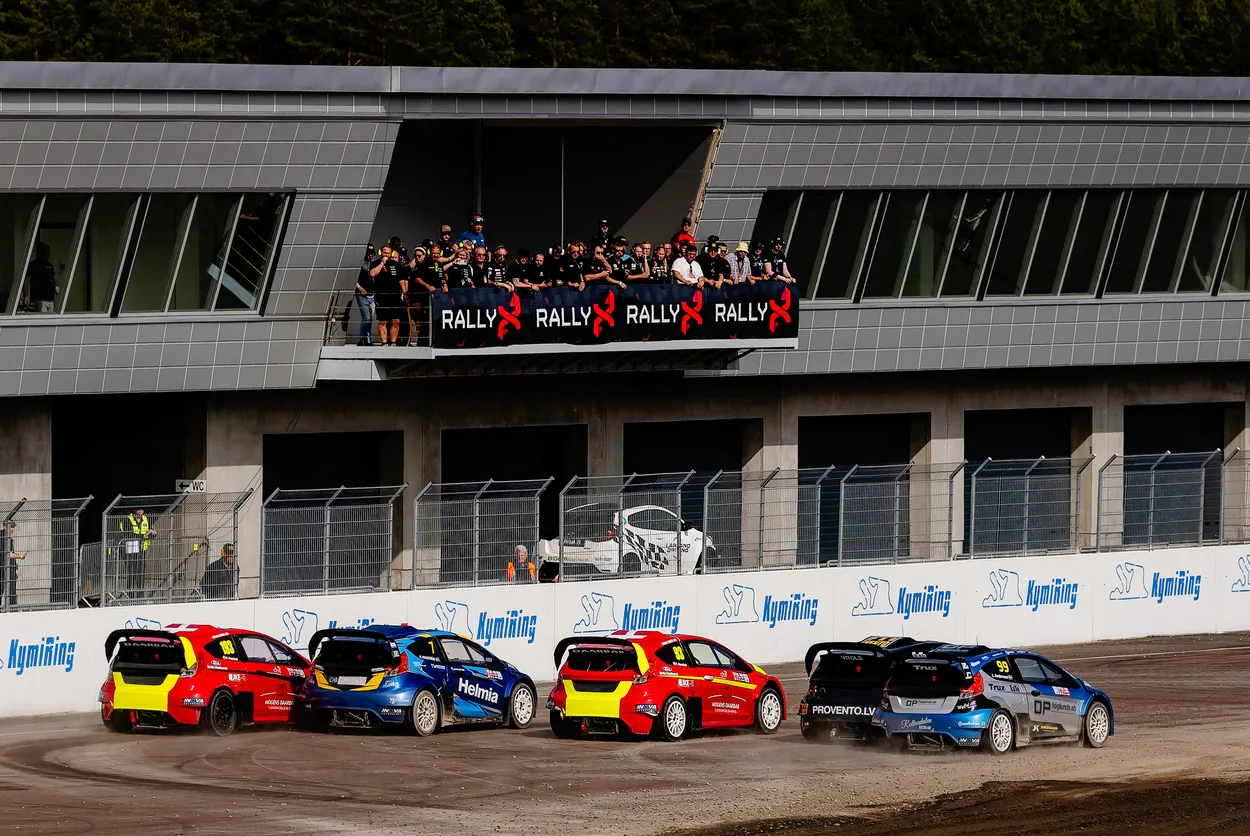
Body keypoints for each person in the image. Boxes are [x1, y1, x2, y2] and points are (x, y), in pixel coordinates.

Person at [373, 244, 405, 346]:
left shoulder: (396, 265)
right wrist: (382, 263)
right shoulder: (375, 263)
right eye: (384, 253)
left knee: (396, 320)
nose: (386, 255)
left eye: (388, 253)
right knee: (383, 321)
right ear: (380, 253)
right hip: (381, 297)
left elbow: (401, 279)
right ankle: (384, 343)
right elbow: (372, 274)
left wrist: (404, 292)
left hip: (395, 297)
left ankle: (393, 342)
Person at [120, 508, 154, 597]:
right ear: (134, 511)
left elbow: (150, 531)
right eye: (138, 510)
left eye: (142, 510)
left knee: (141, 571)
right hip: (131, 549)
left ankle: (140, 595)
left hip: (141, 549)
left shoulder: (145, 519)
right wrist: (144, 535)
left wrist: (152, 532)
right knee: (131, 571)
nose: (140, 511)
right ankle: (130, 595)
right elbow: (129, 534)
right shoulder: (128, 520)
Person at [355, 247, 383, 346]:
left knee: (370, 319)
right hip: (362, 294)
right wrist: (360, 288)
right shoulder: (360, 264)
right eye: (369, 253)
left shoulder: (373, 264)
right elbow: (353, 278)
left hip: (372, 294)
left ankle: (368, 340)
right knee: (366, 317)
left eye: (372, 253)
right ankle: (360, 340)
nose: (370, 255)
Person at [24, 242, 57, 314]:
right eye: (46, 252)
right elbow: (27, 281)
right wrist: (27, 296)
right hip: (40, 298)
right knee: (42, 316)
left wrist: (56, 287)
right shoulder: (34, 265)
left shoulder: (49, 265)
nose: (48, 255)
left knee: (51, 318)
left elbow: (53, 278)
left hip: (50, 298)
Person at [0, 521, 25, 610]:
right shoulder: (6, 538)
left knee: (2, 589)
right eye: (12, 527)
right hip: (6, 568)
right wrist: (20, 556)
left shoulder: (2, 536)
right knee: (11, 589)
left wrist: (18, 554)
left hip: (3, 567)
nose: (13, 529)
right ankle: (12, 608)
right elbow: (9, 554)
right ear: (7, 527)